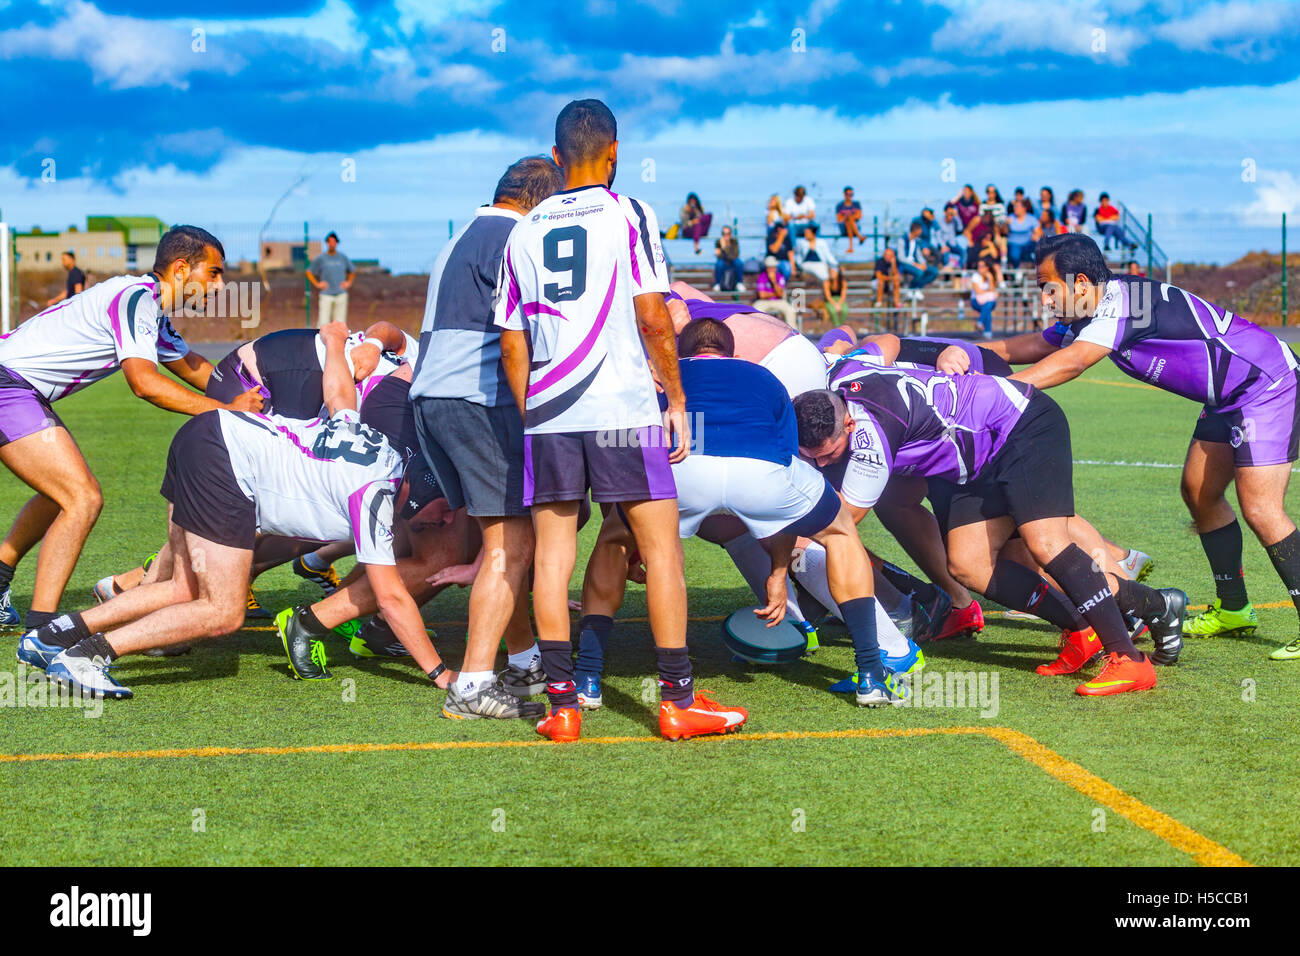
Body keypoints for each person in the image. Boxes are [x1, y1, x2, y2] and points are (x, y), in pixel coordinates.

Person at [495, 98, 747, 742]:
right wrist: (678, 400)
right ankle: (677, 700)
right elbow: (654, 316)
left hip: (550, 413)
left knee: (552, 558)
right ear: (614, 154)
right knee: (660, 550)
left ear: (554, 159)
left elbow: (512, 342)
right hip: (620, 411)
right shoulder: (628, 211)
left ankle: (561, 707)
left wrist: (534, 414)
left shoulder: (521, 230)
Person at [20, 322, 449, 699]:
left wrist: (334, 341)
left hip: (205, 437)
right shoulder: (375, 498)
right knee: (222, 611)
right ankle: (88, 656)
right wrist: (442, 673)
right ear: (410, 491)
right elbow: (392, 598)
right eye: (439, 507)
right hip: (224, 461)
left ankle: (52, 635)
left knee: (182, 588)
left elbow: (339, 392)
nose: (444, 519)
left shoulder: (367, 441)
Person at [957, 233, 1300, 661]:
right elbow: (1038, 344)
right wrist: (965, 353)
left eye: (1048, 286)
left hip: (1265, 382)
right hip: (1227, 396)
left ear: (1080, 283)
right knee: (1199, 493)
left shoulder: (1123, 302)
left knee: (1262, 509)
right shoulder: (1090, 306)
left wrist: (994, 393)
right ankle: (1235, 609)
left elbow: (1074, 361)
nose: (1043, 297)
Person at [794, 361, 1186, 697]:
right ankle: (1112, 619)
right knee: (968, 565)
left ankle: (1129, 659)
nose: (825, 465)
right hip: (976, 460)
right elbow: (882, 343)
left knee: (1045, 543)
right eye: (815, 458)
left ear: (848, 421)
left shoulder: (870, 437)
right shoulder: (839, 375)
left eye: (830, 454)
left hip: (1022, 425)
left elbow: (839, 526)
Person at [0, 226, 262, 631]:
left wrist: (257, 395)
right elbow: (145, 383)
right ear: (180, 269)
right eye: (213, 273)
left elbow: (194, 367)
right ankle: (43, 632)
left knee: (60, 494)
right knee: (81, 498)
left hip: (18, 389)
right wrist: (226, 410)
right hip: (8, 386)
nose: (221, 284)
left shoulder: (151, 308)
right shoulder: (136, 299)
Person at [407, 155, 565, 720]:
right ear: (541, 202)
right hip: (478, 400)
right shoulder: (518, 238)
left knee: (503, 538)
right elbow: (522, 335)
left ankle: (523, 659)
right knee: (512, 544)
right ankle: (472, 685)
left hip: (433, 399)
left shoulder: (456, 240)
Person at [666, 283, 827, 397]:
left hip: (775, 368)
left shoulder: (666, 310)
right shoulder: (675, 299)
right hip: (799, 349)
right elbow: (679, 287)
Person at [307, 232, 354, 327]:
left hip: (341, 294)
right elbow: (309, 271)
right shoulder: (321, 258)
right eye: (330, 242)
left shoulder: (342, 257)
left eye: (334, 242)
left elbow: (352, 271)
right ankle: (318, 341)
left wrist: (348, 282)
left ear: (337, 243)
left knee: (340, 323)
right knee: (323, 323)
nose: (332, 244)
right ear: (327, 243)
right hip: (326, 294)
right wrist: (317, 284)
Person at [795, 224, 840, 293]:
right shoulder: (802, 243)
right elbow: (798, 256)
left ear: (813, 234)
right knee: (824, 276)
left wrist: (835, 264)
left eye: (807, 233)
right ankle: (829, 290)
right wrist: (799, 265)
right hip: (807, 264)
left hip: (820, 264)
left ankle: (831, 292)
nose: (805, 235)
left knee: (828, 273)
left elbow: (827, 255)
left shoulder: (821, 242)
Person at [754, 255, 797, 326]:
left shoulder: (780, 277)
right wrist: (775, 293)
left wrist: (773, 281)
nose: (771, 269)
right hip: (764, 302)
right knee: (757, 309)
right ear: (766, 267)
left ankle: (793, 334)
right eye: (769, 267)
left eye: (773, 266)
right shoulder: (761, 277)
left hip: (779, 301)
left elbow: (780, 294)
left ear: (776, 267)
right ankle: (762, 332)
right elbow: (762, 295)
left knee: (790, 310)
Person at [898, 222, 938, 291]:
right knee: (919, 272)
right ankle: (911, 289)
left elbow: (918, 255)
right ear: (915, 231)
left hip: (916, 263)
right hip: (905, 264)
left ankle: (918, 288)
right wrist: (915, 265)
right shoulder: (902, 240)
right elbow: (901, 258)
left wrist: (923, 263)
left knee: (934, 272)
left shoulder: (917, 241)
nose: (921, 232)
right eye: (920, 230)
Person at [968, 256, 998, 338]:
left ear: (987, 268)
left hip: (987, 301)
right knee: (987, 306)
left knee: (988, 304)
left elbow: (992, 289)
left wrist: (990, 278)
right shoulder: (975, 276)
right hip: (976, 301)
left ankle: (980, 323)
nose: (979, 268)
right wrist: (988, 291)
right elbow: (978, 292)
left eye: (981, 266)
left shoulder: (990, 276)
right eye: (978, 266)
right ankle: (987, 331)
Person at [934, 204, 966, 269]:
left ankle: (960, 269)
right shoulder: (939, 222)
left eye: (952, 214)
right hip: (943, 244)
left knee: (963, 252)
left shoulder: (954, 221)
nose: (950, 215)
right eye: (949, 213)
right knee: (945, 253)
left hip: (953, 244)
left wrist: (957, 216)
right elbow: (938, 236)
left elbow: (960, 229)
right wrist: (943, 246)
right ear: (945, 212)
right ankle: (946, 271)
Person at [1006, 198, 1037, 266]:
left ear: (1024, 208)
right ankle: (1017, 270)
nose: (1015, 208)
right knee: (1015, 254)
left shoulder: (1031, 219)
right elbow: (1004, 232)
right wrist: (1007, 225)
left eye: (1017, 206)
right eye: (1014, 206)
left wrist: (1035, 236)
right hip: (1013, 244)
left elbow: (1038, 232)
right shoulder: (1010, 218)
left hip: (1028, 244)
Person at [713, 224, 744, 292]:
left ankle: (739, 283)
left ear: (730, 234)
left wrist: (724, 247)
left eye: (728, 233)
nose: (726, 235)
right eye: (724, 233)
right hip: (723, 262)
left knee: (738, 262)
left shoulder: (734, 242)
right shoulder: (718, 242)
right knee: (719, 264)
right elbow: (718, 256)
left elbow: (735, 255)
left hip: (732, 262)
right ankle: (717, 284)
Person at [836, 186, 864, 252]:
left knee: (849, 220)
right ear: (844, 194)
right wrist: (847, 217)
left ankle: (851, 248)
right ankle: (860, 237)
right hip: (844, 229)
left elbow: (859, 216)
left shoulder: (856, 204)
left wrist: (849, 217)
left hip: (855, 228)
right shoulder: (839, 206)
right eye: (847, 194)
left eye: (851, 194)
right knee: (848, 221)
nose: (849, 196)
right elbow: (839, 220)